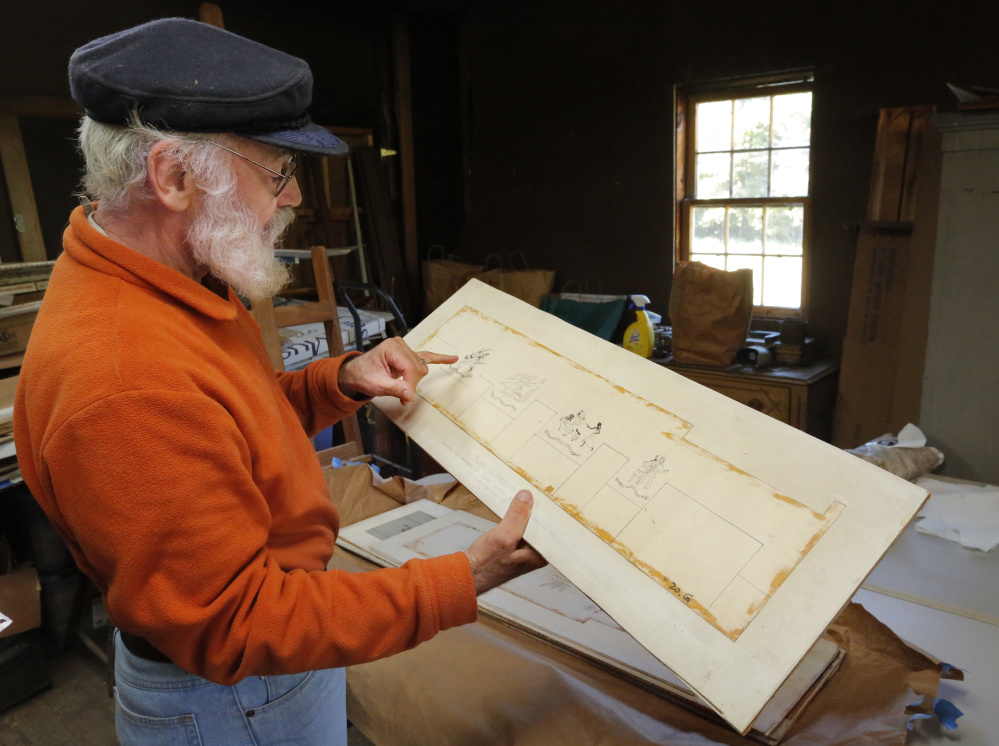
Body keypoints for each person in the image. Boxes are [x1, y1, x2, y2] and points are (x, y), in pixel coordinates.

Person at [13, 18, 546, 745]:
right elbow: (236, 626)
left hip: (265, 665)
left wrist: (341, 380)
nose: (292, 198)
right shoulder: (124, 379)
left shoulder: (164, 280)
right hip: (236, 694)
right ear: (172, 176)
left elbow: (230, 429)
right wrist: (461, 579)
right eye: (276, 171)